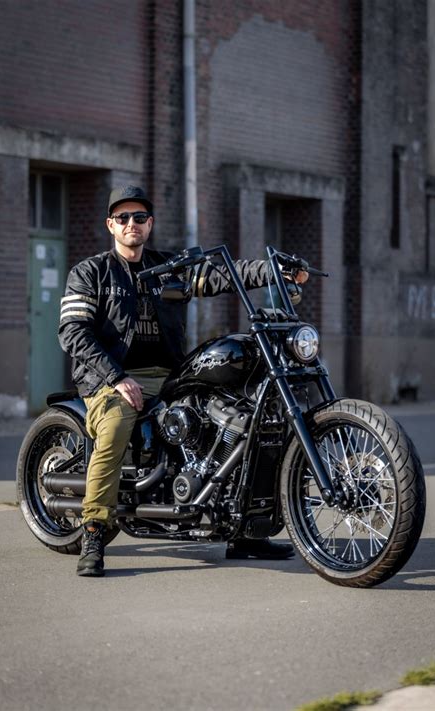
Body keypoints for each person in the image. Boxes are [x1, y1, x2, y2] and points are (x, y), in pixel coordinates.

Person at [59, 185, 309, 577]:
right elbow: (73, 332)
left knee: (242, 417)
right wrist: (116, 376)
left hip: (170, 374)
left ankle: (243, 529)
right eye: (122, 218)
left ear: (150, 224)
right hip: (109, 377)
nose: (131, 224)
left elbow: (221, 275)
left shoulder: (168, 270)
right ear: (110, 225)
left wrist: (272, 269)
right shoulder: (90, 273)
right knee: (116, 424)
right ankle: (93, 528)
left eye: (139, 217)